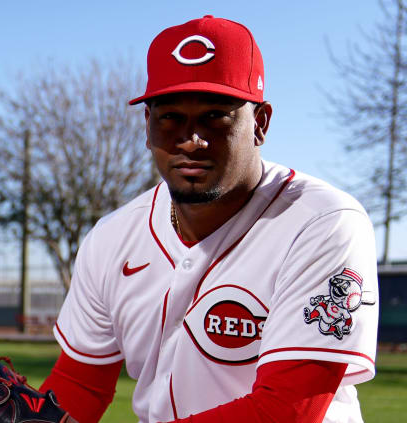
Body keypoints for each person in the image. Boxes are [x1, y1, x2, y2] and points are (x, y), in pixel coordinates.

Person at [39, 15, 379, 423]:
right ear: (148, 126)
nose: (192, 139)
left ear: (260, 123)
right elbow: (81, 384)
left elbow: (286, 410)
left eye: (216, 115)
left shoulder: (322, 222)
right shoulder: (111, 239)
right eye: (171, 117)